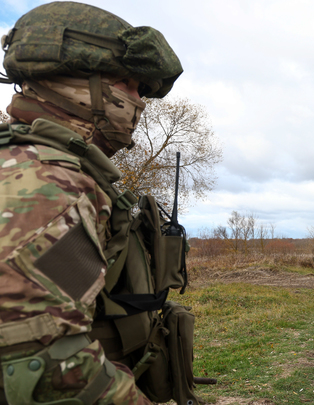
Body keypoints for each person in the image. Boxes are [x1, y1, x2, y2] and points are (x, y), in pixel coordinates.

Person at [0, 2, 183, 404]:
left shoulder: (55, 167)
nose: (139, 102)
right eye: (128, 84)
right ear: (74, 80)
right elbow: (48, 369)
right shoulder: (46, 183)